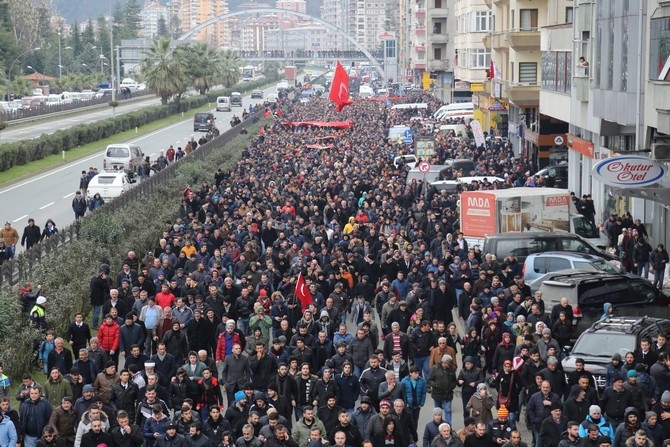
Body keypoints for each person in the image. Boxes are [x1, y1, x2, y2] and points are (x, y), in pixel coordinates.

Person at [429, 355, 458, 424]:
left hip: (448, 394)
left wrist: (452, 386)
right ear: (444, 362)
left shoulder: (452, 369)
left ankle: (448, 426)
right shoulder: (435, 368)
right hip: (437, 394)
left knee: (447, 410)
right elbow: (430, 380)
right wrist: (435, 385)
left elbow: (454, 380)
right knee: (438, 411)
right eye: (448, 363)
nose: (449, 364)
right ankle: (438, 425)